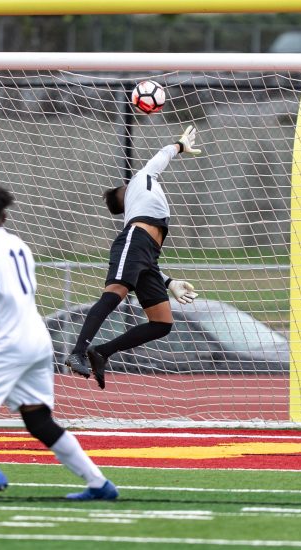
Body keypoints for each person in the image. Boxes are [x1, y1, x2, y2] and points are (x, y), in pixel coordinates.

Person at [0, 183, 118, 501]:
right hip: (37, 338)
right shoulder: (19, 245)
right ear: (4, 216)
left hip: (10, 341)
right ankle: (99, 484)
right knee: (37, 419)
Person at [65, 126, 201, 389]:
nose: (127, 183)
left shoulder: (140, 202)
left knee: (162, 323)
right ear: (125, 195)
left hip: (147, 251)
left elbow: (143, 261)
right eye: (123, 187)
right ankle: (77, 352)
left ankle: (101, 352)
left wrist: (169, 282)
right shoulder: (141, 179)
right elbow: (162, 156)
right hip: (136, 241)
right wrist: (179, 145)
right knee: (114, 294)